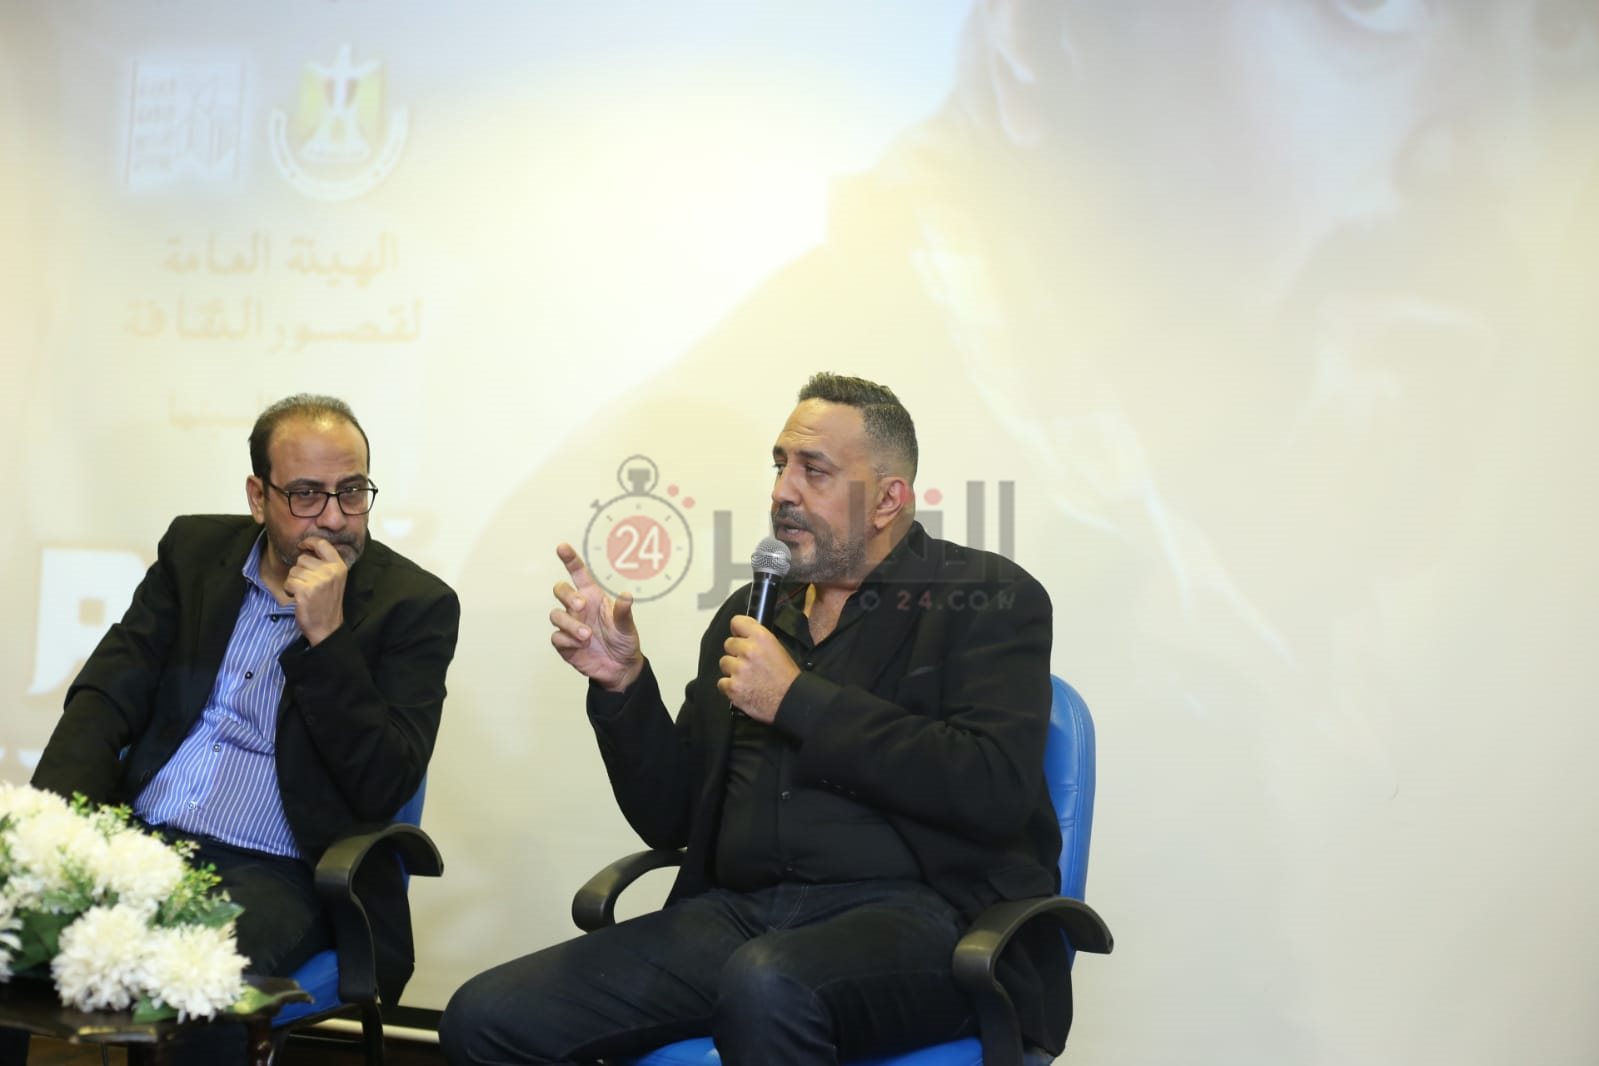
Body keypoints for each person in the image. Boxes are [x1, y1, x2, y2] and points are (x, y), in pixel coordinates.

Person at [440, 374, 1066, 1065]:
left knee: (768, 984)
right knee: (486, 1017)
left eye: (813, 470)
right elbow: (672, 819)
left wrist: (796, 700)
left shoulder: (986, 598)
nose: (782, 491)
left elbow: (991, 787)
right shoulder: (753, 611)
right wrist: (624, 686)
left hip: (928, 921)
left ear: (887, 500)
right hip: (737, 917)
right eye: (779, 464)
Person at [23, 393, 460, 1063]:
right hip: (139, 840)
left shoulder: (415, 606)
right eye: (306, 495)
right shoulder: (196, 553)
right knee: (9, 921)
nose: (335, 518)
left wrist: (328, 640)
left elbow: (384, 782)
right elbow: (109, 692)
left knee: (197, 985)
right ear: (259, 497)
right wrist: (48, 832)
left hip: (277, 869)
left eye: (352, 491)